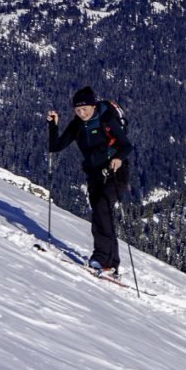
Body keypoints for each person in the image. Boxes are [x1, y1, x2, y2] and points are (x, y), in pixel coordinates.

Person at [47, 86, 133, 276]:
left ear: (93, 106)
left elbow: (126, 145)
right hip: (94, 174)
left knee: (103, 207)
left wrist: (118, 158)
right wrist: (53, 125)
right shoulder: (76, 125)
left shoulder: (106, 120)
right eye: (78, 110)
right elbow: (55, 146)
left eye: (85, 109)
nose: (82, 113)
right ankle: (110, 263)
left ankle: (103, 259)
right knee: (100, 214)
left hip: (115, 171)